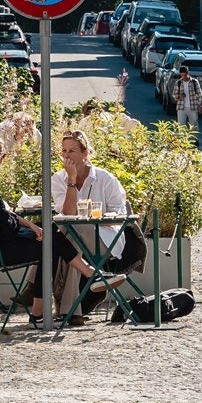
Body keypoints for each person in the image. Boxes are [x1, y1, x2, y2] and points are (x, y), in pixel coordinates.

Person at [0, 133, 110, 329]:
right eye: (3, 156)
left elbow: (1, 216)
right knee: (48, 244)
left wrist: (31, 226)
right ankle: (46, 307)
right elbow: (7, 228)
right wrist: (33, 232)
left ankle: (87, 276)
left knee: (49, 237)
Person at [47, 130, 144, 318]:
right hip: (75, 238)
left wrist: (97, 217)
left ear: (85, 154)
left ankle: (37, 293)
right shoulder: (59, 179)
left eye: (72, 151)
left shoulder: (105, 179)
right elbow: (67, 213)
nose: (66, 156)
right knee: (70, 242)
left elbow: (120, 212)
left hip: (106, 239)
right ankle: (71, 312)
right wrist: (72, 181)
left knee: (62, 235)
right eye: (64, 151)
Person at [173, 66, 202, 131]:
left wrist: (199, 105)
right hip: (181, 107)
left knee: (193, 126)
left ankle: (194, 140)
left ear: (188, 73)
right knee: (181, 126)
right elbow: (174, 95)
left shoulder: (194, 82)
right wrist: (179, 96)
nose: (184, 77)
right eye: (182, 75)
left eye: (185, 75)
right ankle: (182, 140)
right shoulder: (178, 83)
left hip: (193, 107)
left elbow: (199, 94)